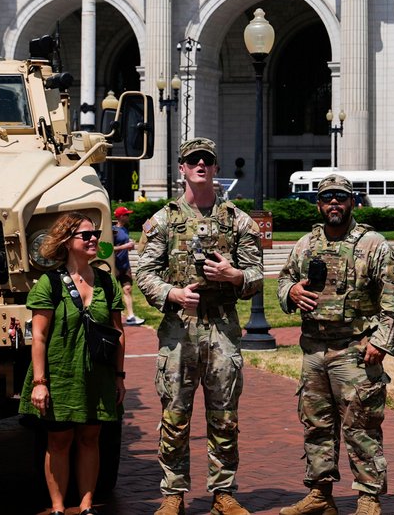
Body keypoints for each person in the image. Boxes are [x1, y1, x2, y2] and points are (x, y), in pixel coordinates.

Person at [134, 137, 264, 515]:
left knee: (224, 415)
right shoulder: (163, 221)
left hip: (222, 330)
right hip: (179, 331)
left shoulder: (237, 221)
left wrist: (234, 275)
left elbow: (257, 275)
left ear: (216, 168)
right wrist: (171, 294)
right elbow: (143, 271)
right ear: (182, 169)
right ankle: (173, 493)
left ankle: (224, 492)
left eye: (207, 160)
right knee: (174, 414)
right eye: (193, 161)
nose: (201, 166)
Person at [276, 174, 394, 515]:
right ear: (318, 204)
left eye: (341, 197)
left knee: (360, 424)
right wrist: (290, 292)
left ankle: (368, 497)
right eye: (327, 197)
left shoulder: (374, 244)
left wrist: (381, 342)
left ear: (352, 202)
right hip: (314, 349)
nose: (334, 202)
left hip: (355, 349)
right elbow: (284, 279)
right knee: (316, 423)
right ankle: (320, 495)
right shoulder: (306, 244)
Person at [19, 212, 127, 515]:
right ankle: (57, 506)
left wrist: (119, 377)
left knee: (91, 438)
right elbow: (38, 336)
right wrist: (40, 383)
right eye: (86, 235)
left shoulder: (106, 282)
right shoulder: (49, 284)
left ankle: (87, 504)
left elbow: (118, 333)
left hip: (99, 373)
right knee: (59, 440)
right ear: (67, 241)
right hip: (60, 372)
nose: (94, 239)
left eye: (96, 234)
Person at [113, 206, 144, 326]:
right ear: (121, 216)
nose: (128, 217)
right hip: (114, 265)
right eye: (127, 215)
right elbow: (107, 249)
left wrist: (129, 246)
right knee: (112, 292)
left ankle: (130, 316)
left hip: (125, 265)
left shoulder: (125, 230)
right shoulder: (112, 230)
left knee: (127, 289)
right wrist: (124, 247)